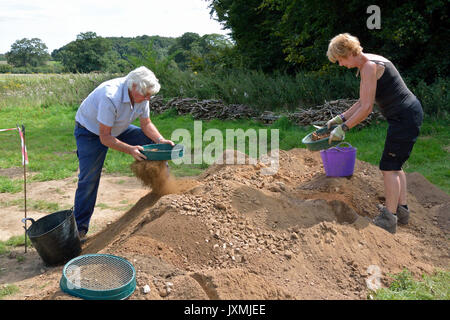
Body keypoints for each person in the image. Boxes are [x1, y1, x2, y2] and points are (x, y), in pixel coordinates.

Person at [325, 33, 423, 234]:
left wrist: (343, 129)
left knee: (388, 167)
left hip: (404, 117)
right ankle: (401, 211)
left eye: (340, 60)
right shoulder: (369, 62)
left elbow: (367, 108)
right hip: (407, 115)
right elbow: (361, 101)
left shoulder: (369, 66)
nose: (341, 65)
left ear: (349, 53)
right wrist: (340, 118)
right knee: (395, 166)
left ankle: (389, 218)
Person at [73, 66, 174, 241]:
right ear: (133, 86)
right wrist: (130, 149)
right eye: (145, 94)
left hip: (119, 126)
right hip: (90, 132)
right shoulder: (110, 96)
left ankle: (164, 188)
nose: (148, 98)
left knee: (153, 144)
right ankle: (79, 229)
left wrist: (160, 139)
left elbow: (146, 124)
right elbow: (104, 137)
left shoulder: (142, 95)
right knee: (89, 178)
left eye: (150, 95)